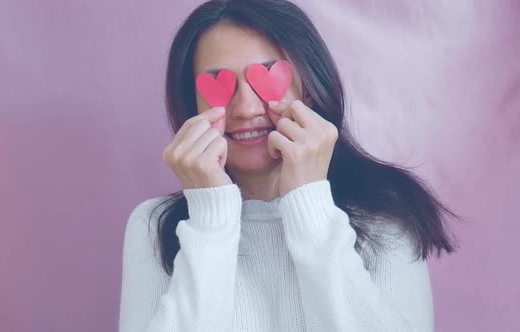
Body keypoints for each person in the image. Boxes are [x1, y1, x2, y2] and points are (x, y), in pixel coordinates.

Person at [118, 0, 460, 331]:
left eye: (266, 78)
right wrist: (209, 217)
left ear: (307, 91)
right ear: (193, 106)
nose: (245, 108)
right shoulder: (155, 226)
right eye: (220, 86)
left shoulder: (386, 218)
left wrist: (309, 204)